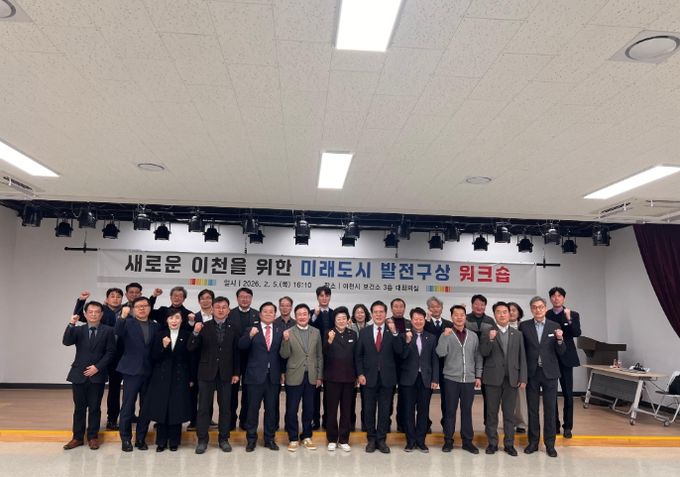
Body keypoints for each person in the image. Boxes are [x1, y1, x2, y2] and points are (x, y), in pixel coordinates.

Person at [188, 296, 240, 454]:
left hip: (226, 373)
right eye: (218, 307)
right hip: (206, 372)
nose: (221, 310)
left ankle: (223, 439)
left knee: (225, 408)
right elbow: (191, 348)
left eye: (224, 307)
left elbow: (236, 352)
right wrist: (195, 332)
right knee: (203, 408)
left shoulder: (234, 327)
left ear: (228, 310)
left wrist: (236, 373)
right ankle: (202, 440)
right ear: (212, 309)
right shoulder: (204, 326)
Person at [62, 301, 116, 450]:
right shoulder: (78, 330)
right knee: (79, 408)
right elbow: (66, 342)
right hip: (78, 374)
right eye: (90, 312)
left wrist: (97, 367)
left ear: (101, 314)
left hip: (97, 375)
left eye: (97, 312)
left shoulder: (108, 331)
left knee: (94, 408)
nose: (93, 314)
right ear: (85, 314)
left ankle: (93, 437)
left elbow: (111, 352)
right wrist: (71, 324)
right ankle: (77, 438)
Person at [520, 296, 565, 458]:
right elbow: (521, 351)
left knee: (550, 410)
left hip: (550, 373)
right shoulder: (524, 326)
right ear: (531, 309)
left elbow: (561, 351)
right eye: (534, 307)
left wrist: (560, 339)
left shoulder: (555, 326)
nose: (537, 310)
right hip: (532, 373)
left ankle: (550, 444)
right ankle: (533, 442)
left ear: (545, 308)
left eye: (540, 307)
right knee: (532, 410)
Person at [479, 302, 527, 456]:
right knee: (491, 414)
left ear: (509, 314)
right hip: (492, 378)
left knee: (509, 414)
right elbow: (483, 352)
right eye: (498, 312)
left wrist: (523, 378)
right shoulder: (487, 332)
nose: (502, 314)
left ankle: (509, 444)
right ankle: (492, 443)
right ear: (494, 315)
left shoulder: (517, 334)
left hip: (512, 379)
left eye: (505, 312)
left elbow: (522, 357)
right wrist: (490, 339)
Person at [73, 289, 123, 431]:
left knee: (114, 389)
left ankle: (112, 419)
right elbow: (79, 316)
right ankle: (82, 432)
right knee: (89, 399)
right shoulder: (100, 311)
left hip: (118, 356)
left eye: (118, 296)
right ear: (107, 299)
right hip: (98, 359)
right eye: (112, 296)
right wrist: (81, 301)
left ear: (122, 298)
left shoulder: (126, 311)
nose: (115, 299)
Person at [142, 310, 192, 452]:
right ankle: (161, 442)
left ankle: (174, 442)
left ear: (182, 320)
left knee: (176, 409)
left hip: (180, 377)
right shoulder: (159, 334)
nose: (174, 320)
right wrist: (162, 347)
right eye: (171, 318)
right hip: (161, 377)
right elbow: (153, 356)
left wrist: (191, 378)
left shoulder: (186, 335)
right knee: (162, 408)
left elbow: (190, 358)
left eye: (177, 318)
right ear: (166, 320)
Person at [436, 305, 483, 454]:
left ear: (465, 317)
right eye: (456, 315)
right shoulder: (446, 334)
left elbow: (478, 356)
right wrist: (444, 337)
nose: (459, 317)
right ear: (451, 317)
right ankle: (448, 440)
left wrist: (478, 375)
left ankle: (467, 441)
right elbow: (440, 353)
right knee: (450, 411)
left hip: (468, 379)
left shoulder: (473, 336)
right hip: (451, 379)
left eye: (462, 314)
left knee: (466, 411)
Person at [115, 296, 160, 452]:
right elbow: (117, 332)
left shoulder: (156, 326)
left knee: (145, 408)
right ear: (133, 309)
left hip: (150, 371)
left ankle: (141, 438)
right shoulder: (127, 323)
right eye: (138, 306)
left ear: (150, 308)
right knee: (128, 406)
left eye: (145, 306)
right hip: (131, 371)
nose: (142, 308)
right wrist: (122, 316)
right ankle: (125, 439)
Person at [355, 300, 399, 454]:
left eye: (381, 312)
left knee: (385, 410)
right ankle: (371, 439)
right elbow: (358, 355)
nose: (378, 315)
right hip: (368, 377)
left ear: (386, 314)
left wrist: (395, 333)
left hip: (387, 378)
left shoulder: (392, 331)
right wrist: (360, 373)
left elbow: (399, 351)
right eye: (375, 312)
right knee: (369, 409)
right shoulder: (364, 332)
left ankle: (381, 440)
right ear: (372, 314)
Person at [239, 302, 284, 452]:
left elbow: (283, 354)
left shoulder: (280, 330)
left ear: (275, 314)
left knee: (271, 410)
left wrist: (282, 372)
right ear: (260, 314)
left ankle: (269, 439)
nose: (268, 314)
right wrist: (250, 336)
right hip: (254, 376)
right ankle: (251, 439)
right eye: (265, 311)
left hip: (273, 377)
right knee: (252, 409)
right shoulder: (251, 329)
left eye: (271, 312)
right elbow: (241, 346)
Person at [280, 304, 323, 452]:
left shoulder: (316, 332)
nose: (302, 317)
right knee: (292, 409)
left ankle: (307, 436)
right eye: (299, 314)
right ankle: (293, 438)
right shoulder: (289, 332)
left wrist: (319, 376)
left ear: (309, 316)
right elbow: (284, 355)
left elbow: (319, 355)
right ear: (295, 316)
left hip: (311, 376)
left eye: (305, 314)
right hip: (294, 375)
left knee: (309, 409)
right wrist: (285, 340)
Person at [398, 307, 438, 453]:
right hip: (408, 379)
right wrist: (408, 342)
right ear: (411, 320)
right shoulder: (404, 336)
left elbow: (434, 360)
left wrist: (435, 378)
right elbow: (401, 356)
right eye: (416, 319)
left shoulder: (431, 337)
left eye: (421, 319)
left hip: (425, 379)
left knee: (423, 411)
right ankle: (410, 441)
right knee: (408, 411)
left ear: (424, 320)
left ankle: (421, 441)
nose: (418, 321)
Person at [546, 286, 582, 439]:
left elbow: (576, 333)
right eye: (553, 296)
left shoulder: (572, 314)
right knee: (551, 394)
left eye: (559, 296)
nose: (556, 298)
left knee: (568, 394)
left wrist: (569, 319)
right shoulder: (546, 314)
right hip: (551, 358)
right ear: (550, 298)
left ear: (564, 298)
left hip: (567, 358)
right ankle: (554, 425)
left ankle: (568, 427)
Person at [323, 306, 357, 452]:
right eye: (338, 319)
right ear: (334, 320)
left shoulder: (353, 334)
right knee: (331, 410)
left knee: (346, 410)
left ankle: (343, 439)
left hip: (349, 378)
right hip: (332, 378)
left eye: (344, 318)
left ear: (348, 319)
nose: (341, 321)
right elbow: (323, 353)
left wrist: (357, 375)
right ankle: (331, 439)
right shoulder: (328, 333)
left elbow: (356, 356)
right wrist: (329, 341)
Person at [228, 288, 259, 431]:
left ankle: (244, 420)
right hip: (232, 357)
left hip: (251, 358)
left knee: (248, 391)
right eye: (242, 297)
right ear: (237, 298)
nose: (244, 299)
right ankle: (230, 420)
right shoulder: (229, 313)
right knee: (231, 391)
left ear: (251, 298)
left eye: (247, 297)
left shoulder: (258, 314)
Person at [423, 296, 452, 431]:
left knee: (447, 399)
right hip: (428, 366)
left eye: (438, 306)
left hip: (446, 365)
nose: (435, 309)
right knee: (425, 398)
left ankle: (446, 425)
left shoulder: (449, 324)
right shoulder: (423, 324)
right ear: (428, 309)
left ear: (442, 308)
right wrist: (427, 321)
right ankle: (425, 424)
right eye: (432, 307)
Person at [466, 294, 495, 425]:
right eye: (477, 304)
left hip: (486, 361)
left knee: (488, 397)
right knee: (466, 397)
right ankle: (467, 425)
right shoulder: (465, 319)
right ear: (472, 305)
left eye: (482, 304)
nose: (479, 307)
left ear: (485, 306)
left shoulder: (490, 321)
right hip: (468, 360)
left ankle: (488, 423)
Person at [310, 285, 333, 430]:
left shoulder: (335, 313)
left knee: (330, 392)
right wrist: (314, 316)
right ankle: (315, 420)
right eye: (321, 296)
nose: (324, 298)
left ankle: (327, 420)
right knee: (314, 391)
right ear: (317, 297)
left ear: (330, 297)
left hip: (331, 357)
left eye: (326, 295)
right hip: (315, 356)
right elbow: (307, 327)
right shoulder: (311, 313)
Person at [389, 298, 409, 433]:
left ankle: (402, 423)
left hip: (406, 365)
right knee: (388, 396)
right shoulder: (386, 322)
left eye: (401, 306)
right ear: (391, 309)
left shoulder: (410, 323)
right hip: (389, 364)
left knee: (404, 397)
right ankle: (386, 423)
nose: (398, 309)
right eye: (395, 306)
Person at [350, 303, 370, 431]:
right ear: (354, 315)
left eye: (362, 312)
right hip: (351, 367)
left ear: (366, 314)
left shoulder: (370, 328)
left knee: (366, 399)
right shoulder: (350, 328)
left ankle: (365, 424)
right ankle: (350, 424)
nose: (360, 314)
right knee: (350, 398)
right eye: (357, 312)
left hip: (366, 368)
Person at [508, 302, 528, 434]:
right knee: (507, 399)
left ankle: (521, 423)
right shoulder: (500, 327)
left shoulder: (524, 327)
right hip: (504, 368)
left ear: (519, 312)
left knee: (520, 398)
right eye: (508, 310)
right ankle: (509, 422)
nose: (511, 312)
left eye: (514, 310)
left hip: (520, 366)